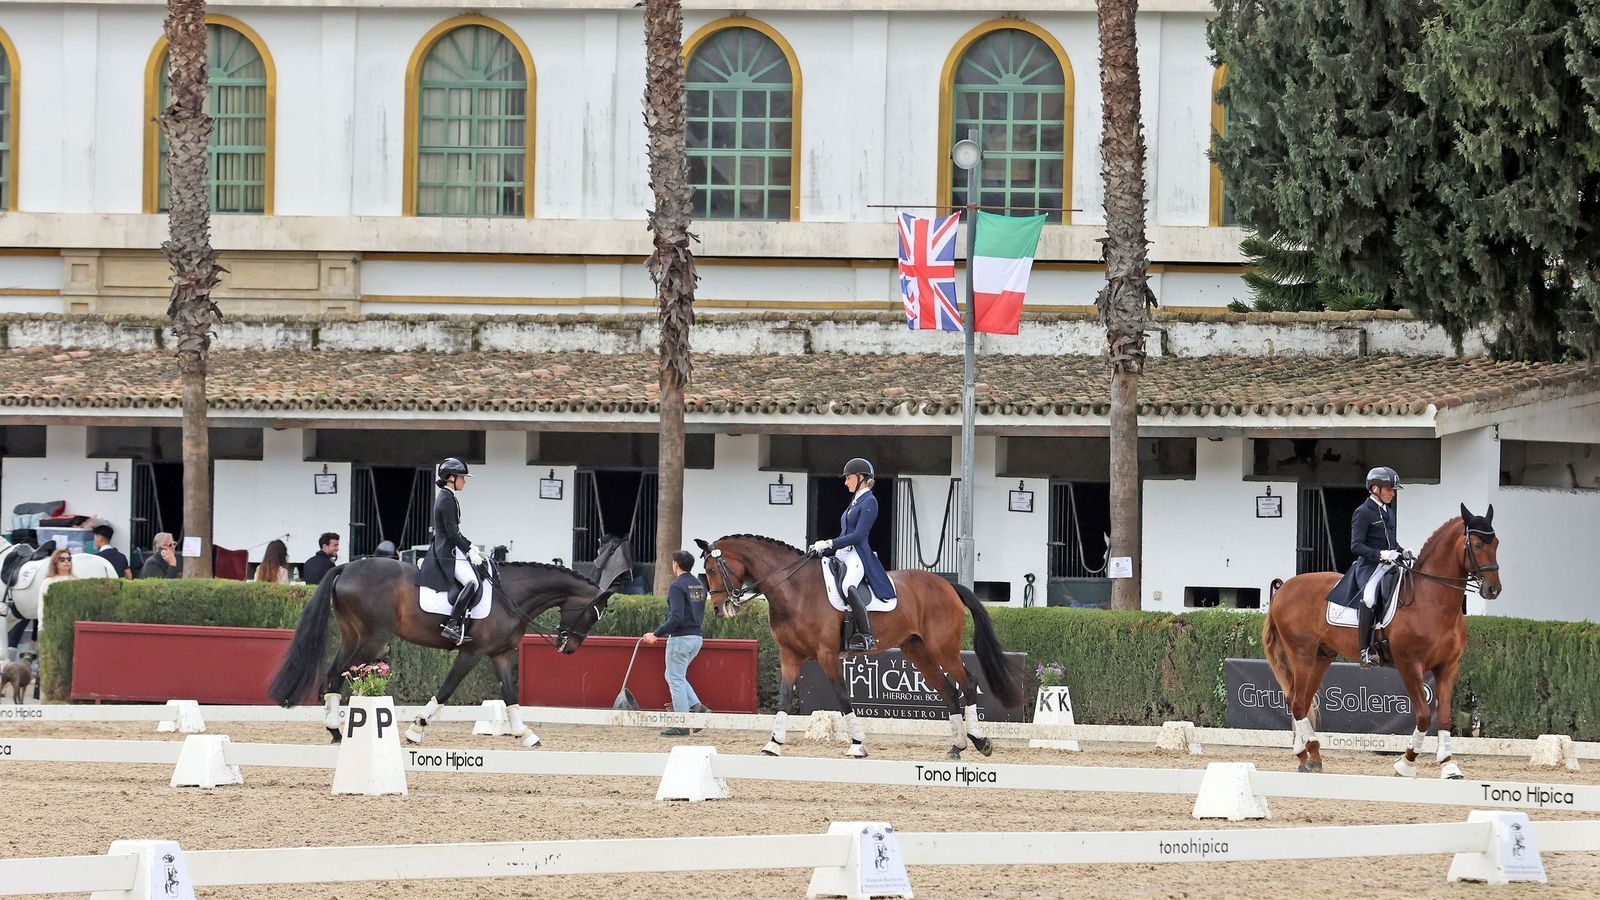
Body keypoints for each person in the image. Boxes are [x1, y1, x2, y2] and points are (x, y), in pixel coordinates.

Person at [809, 457, 896, 653]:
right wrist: (823, 548)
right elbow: (844, 534)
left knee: (848, 585)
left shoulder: (870, 501)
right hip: (843, 553)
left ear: (862, 478)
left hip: (858, 554)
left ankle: (866, 636)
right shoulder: (855, 501)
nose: (846, 482)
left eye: (849, 478)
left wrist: (830, 542)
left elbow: (858, 535)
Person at [1340, 466, 1405, 668]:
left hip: (1389, 564)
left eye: (1393, 490)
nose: (1393, 493)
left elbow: (1390, 541)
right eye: (1389, 489)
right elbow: (1356, 545)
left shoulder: (1389, 511)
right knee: (1368, 597)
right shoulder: (1363, 512)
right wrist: (1379, 554)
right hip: (1369, 566)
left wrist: (1403, 551)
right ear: (1375, 488)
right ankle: (1365, 650)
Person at [644, 550, 711, 737]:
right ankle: (698, 707)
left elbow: (676, 618)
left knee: (675, 678)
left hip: (680, 638)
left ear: (675, 564)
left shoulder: (676, 586)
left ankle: (681, 724)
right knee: (675, 676)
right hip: (696, 638)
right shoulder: (699, 585)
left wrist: (655, 634)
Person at [422, 458, 484, 645]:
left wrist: (471, 547)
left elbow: (455, 532)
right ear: (451, 478)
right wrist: (468, 550)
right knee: (471, 582)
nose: (464, 481)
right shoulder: (446, 499)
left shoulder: (448, 496)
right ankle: (452, 624)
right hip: (446, 549)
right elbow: (451, 533)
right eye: (462, 477)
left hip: (450, 546)